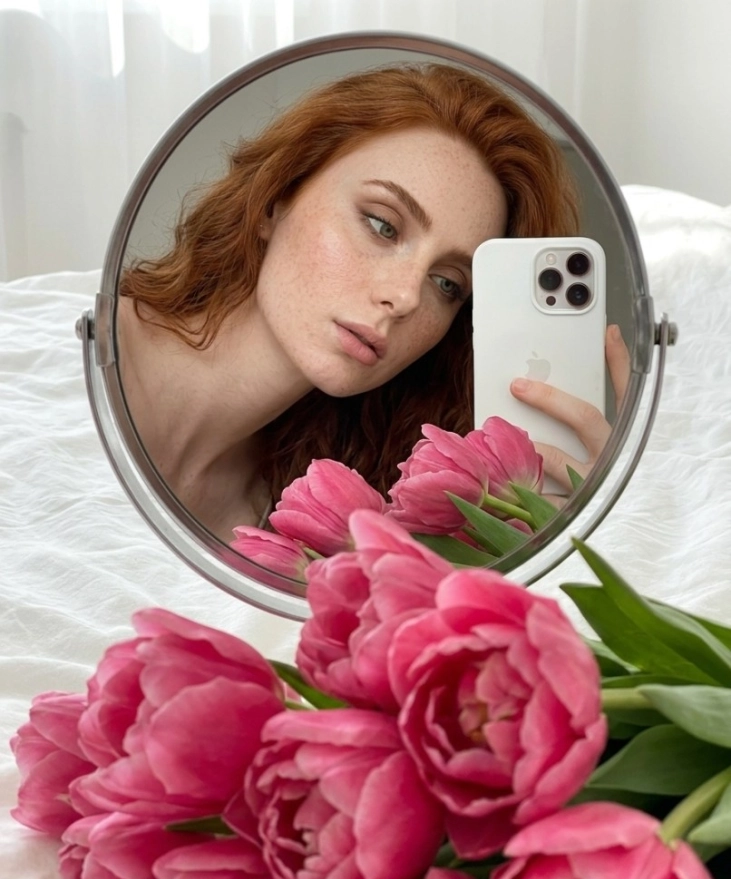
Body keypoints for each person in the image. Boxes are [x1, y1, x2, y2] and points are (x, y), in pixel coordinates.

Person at [117, 62, 628, 541]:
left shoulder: (313, 515)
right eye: (382, 225)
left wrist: (566, 533)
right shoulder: (83, 358)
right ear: (277, 196)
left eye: (447, 283)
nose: (405, 297)